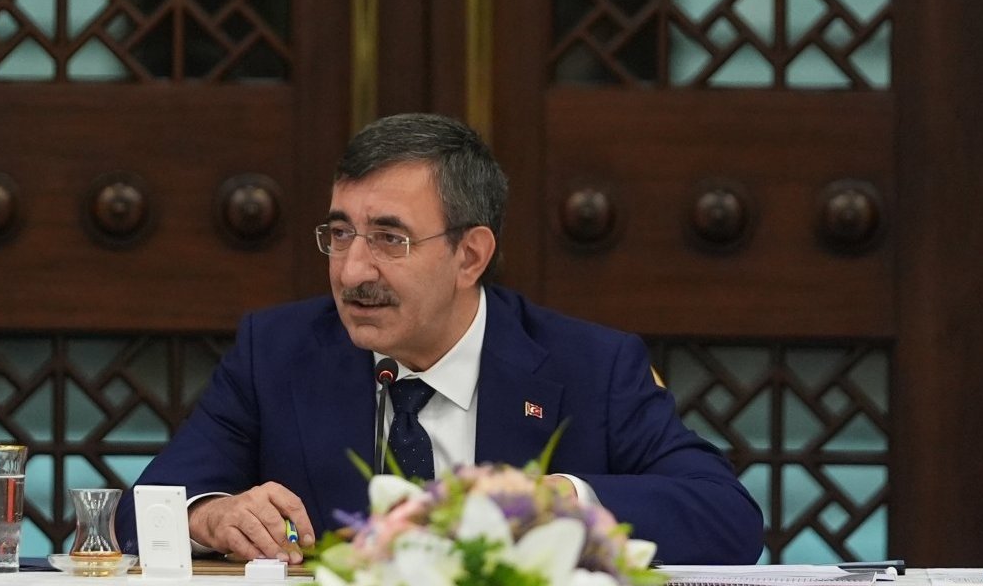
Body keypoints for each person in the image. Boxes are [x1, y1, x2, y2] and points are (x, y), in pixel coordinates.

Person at [113, 113, 764, 565]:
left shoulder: (590, 366)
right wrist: (209, 516)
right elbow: (136, 513)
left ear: (470, 255)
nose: (352, 270)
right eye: (339, 234)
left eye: (389, 239)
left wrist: (554, 502)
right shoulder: (278, 352)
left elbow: (728, 519)